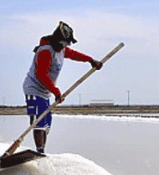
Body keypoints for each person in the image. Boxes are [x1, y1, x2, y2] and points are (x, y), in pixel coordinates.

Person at [23, 21, 103, 154]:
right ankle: (40, 151)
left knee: (47, 123)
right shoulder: (46, 51)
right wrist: (56, 91)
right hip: (34, 88)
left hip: (45, 91)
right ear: (56, 40)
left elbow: (75, 55)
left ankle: (41, 151)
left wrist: (90, 60)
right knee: (39, 121)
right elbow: (41, 74)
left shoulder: (61, 50)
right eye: (63, 43)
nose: (64, 46)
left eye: (66, 44)